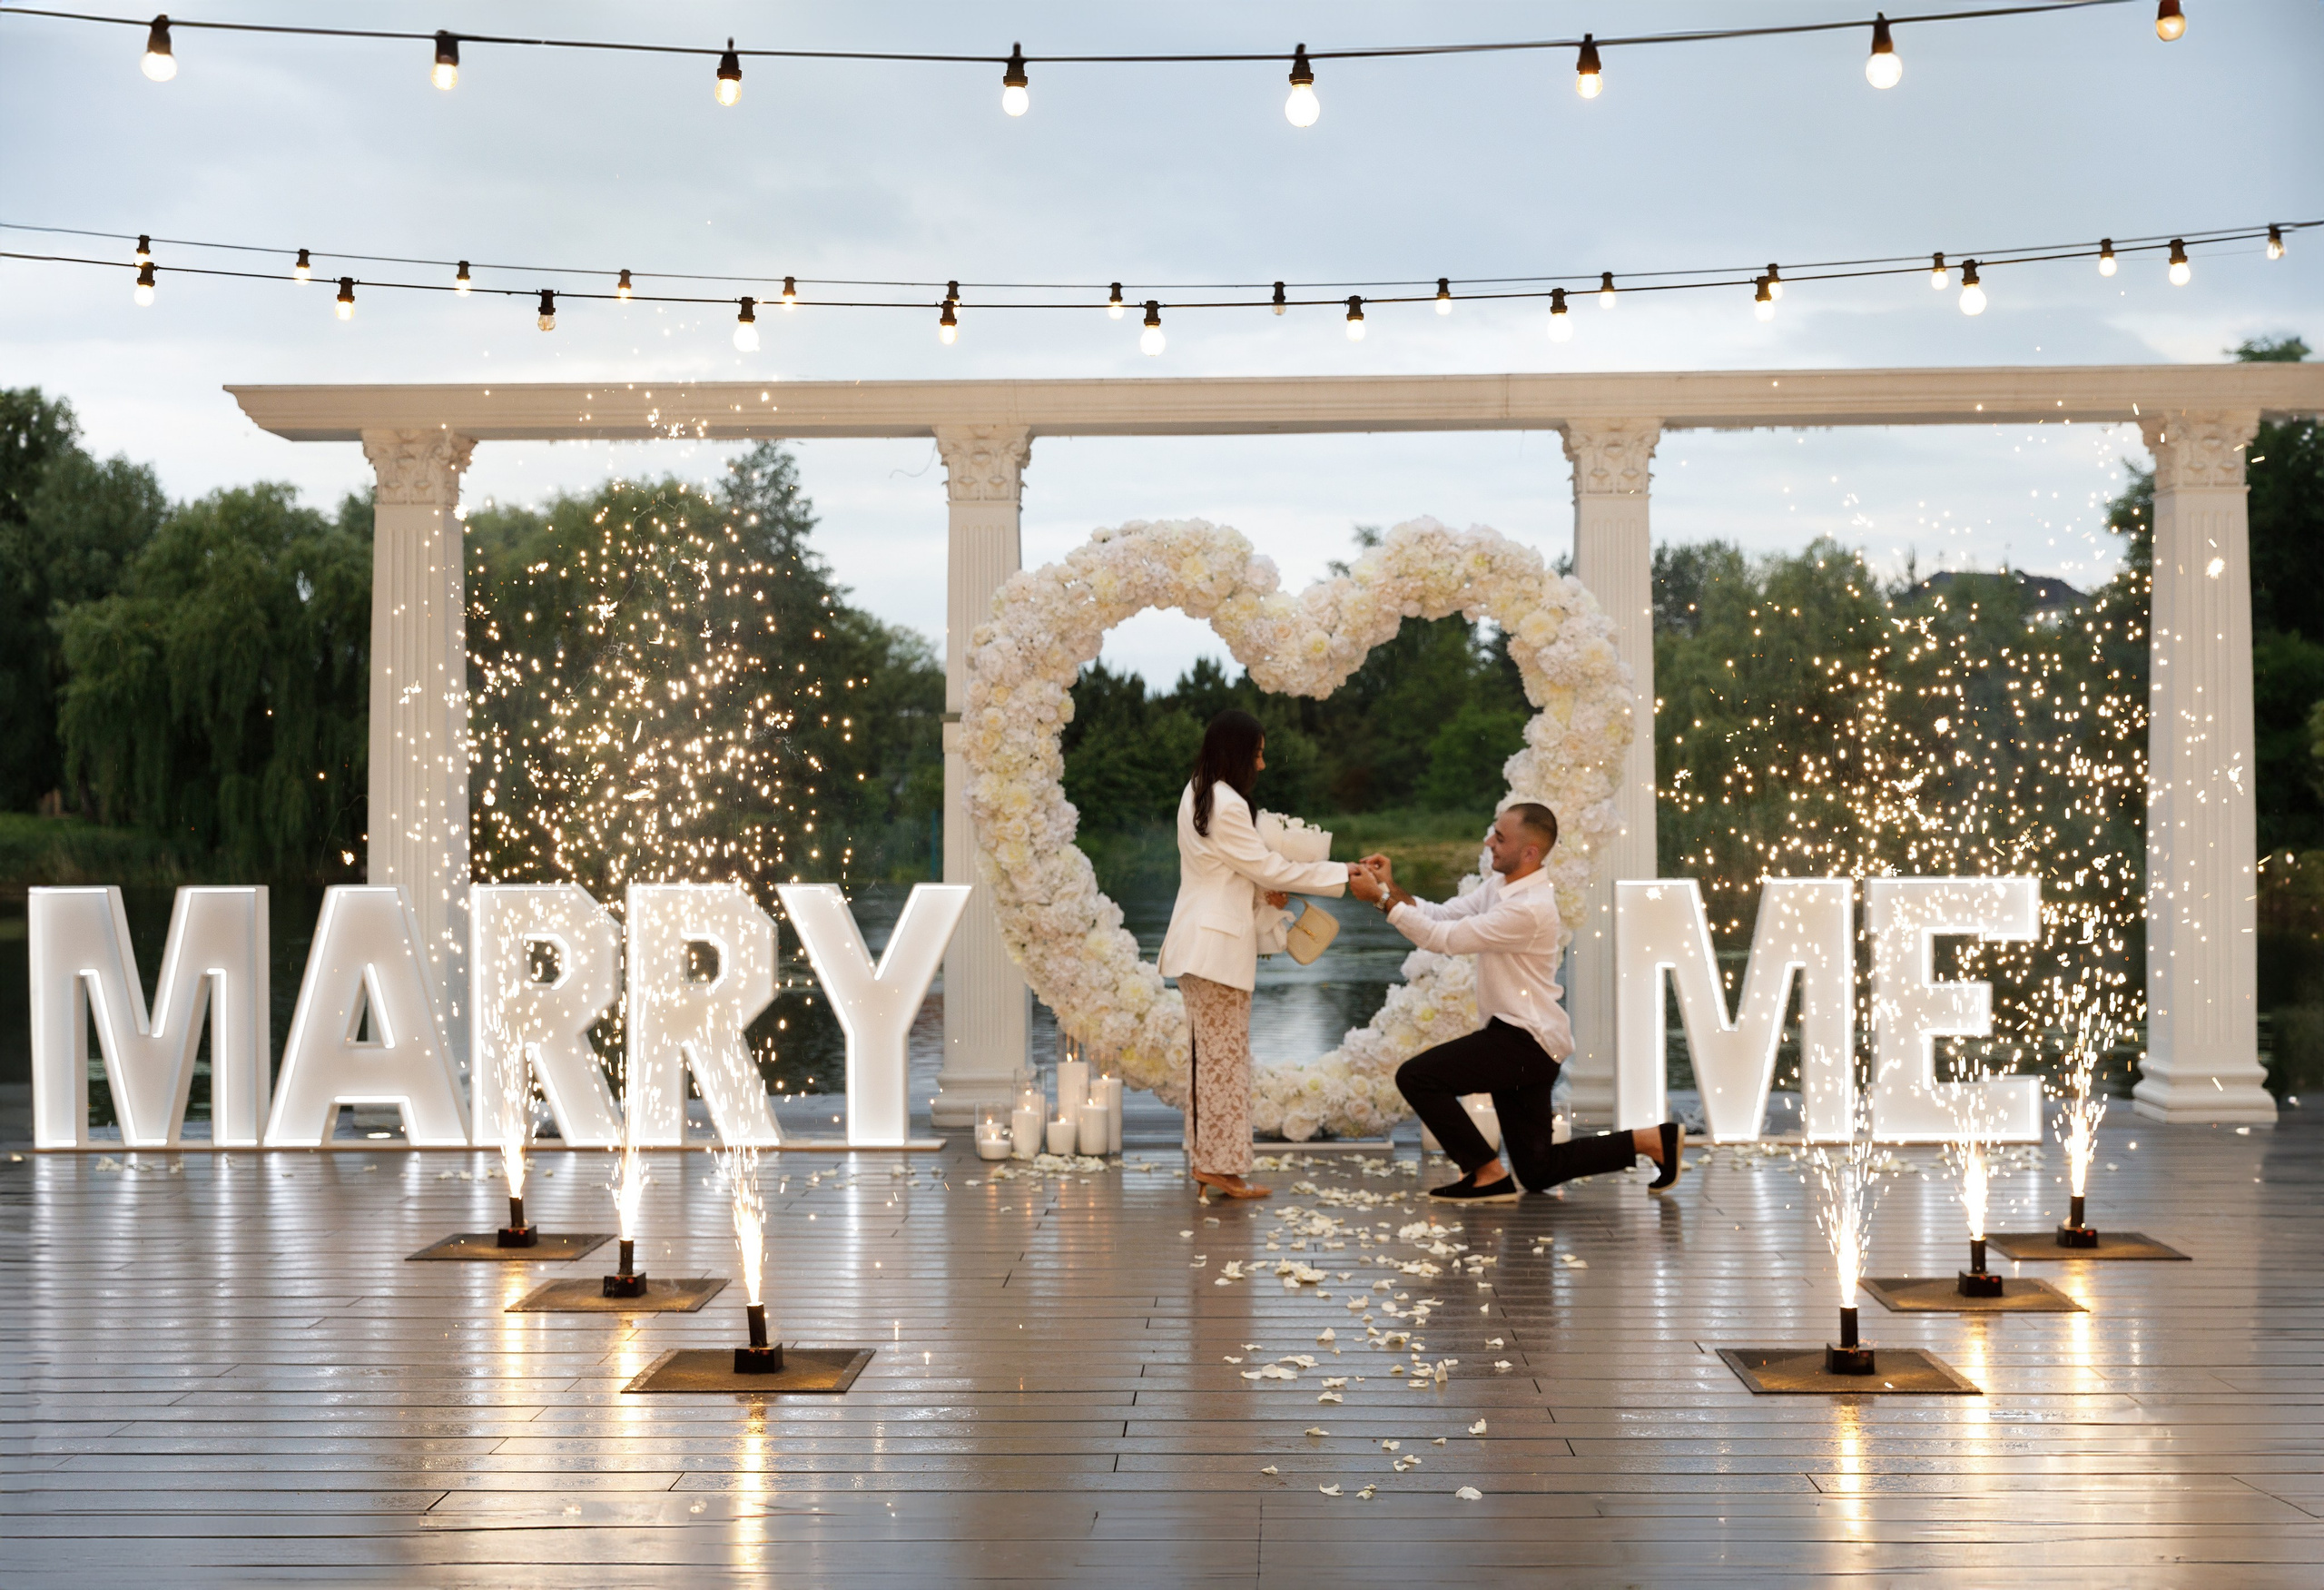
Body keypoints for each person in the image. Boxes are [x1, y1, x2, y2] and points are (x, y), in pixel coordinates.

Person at [1348, 802, 1684, 1202]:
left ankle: (1486, 1173)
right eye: (1494, 832)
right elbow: (1439, 915)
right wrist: (1389, 887)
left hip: (1524, 1040)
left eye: (1500, 838)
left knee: (1417, 1077)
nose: (1489, 841)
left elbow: (1444, 940)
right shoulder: (1502, 888)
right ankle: (1653, 1141)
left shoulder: (1530, 910)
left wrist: (1383, 900)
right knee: (1538, 1170)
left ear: (1530, 853)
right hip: (1527, 1041)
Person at [1159, 709, 1363, 1200]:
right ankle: (1218, 1166)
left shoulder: (1197, 792)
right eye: (1258, 753)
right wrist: (1344, 874)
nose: (1263, 765)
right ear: (1237, 753)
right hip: (1215, 950)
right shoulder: (1226, 804)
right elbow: (1268, 867)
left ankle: (1211, 1162)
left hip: (1199, 944)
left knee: (1209, 1062)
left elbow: (1231, 871)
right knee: (1223, 1064)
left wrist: (1261, 892)